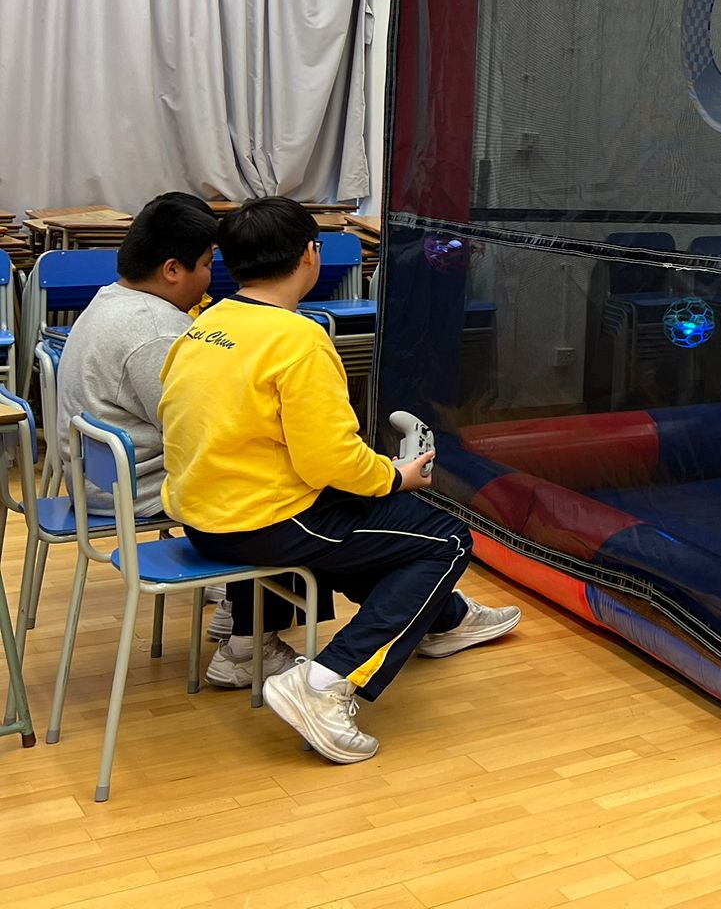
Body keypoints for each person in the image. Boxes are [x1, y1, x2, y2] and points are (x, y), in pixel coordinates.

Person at [161, 198, 521, 764]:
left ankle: (443, 620)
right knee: (446, 540)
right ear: (311, 255)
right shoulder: (298, 340)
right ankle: (327, 682)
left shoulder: (205, 325)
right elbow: (330, 461)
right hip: (266, 523)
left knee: (382, 534)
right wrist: (394, 476)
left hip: (202, 516)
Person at [52, 193, 217, 520]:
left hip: (95, 481)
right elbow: (196, 431)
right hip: (138, 489)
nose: (210, 277)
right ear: (172, 269)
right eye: (208, 265)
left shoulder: (111, 297)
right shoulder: (158, 331)